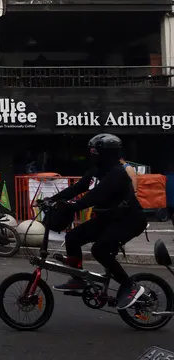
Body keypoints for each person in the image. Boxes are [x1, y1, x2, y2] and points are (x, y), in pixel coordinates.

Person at [47, 133, 148, 310]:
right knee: (72, 238)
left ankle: (129, 286)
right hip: (108, 218)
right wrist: (51, 199)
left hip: (129, 220)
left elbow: (95, 195)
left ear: (106, 154)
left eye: (95, 151)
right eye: (91, 151)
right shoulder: (96, 170)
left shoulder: (117, 173)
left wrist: (72, 207)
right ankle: (78, 278)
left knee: (100, 250)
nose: (92, 154)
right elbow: (78, 187)